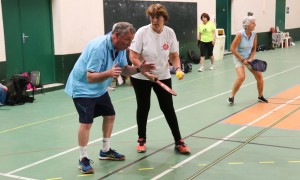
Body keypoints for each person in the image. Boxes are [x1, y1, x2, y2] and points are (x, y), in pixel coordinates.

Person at [65, 22, 155, 174]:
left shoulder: (120, 48)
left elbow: (125, 69)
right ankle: (83, 158)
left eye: (130, 40)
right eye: (127, 40)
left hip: (99, 89)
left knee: (110, 115)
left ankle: (105, 151)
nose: (129, 44)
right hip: (83, 88)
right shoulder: (98, 48)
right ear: (116, 36)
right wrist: (109, 73)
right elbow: (90, 77)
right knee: (86, 123)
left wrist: (139, 69)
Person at [129, 3, 190, 154]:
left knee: (168, 108)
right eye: (152, 17)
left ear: (164, 18)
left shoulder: (169, 33)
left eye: (158, 17)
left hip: (162, 76)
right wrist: (145, 71)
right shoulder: (142, 32)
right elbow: (133, 56)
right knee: (143, 107)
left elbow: (174, 56)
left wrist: (178, 68)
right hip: (141, 77)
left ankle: (178, 141)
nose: (154, 20)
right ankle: (141, 139)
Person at [228, 14, 268, 104]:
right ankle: (231, 96)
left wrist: (251, 58)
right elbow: (232, 49)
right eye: (253, 23)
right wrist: (243, 60)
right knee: (242, 77)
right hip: (238, 57)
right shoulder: (240, 34)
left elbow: (254, 48)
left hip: (248, 58)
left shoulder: (254, 34)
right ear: (247, 25)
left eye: (254, 23)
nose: (255, 25)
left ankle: (260, 96)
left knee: (259, 76)